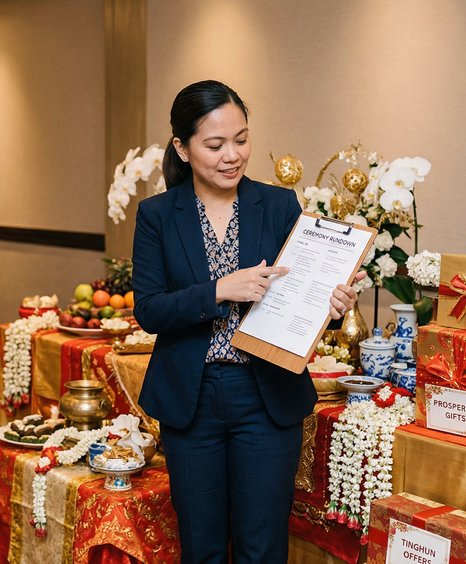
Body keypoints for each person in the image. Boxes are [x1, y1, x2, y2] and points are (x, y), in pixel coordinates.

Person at [131, 80, 365, 564]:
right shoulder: (157, 215)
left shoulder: (278, 205)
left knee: (262, 548)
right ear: (182, 146)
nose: (232, 155)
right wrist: (219, 290)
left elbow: (301, 295)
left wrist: (333, 300)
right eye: (215, 145)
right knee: (202, 547)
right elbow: (150, 309)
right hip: (190, 400)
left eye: (241, 139)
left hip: (265, 394)